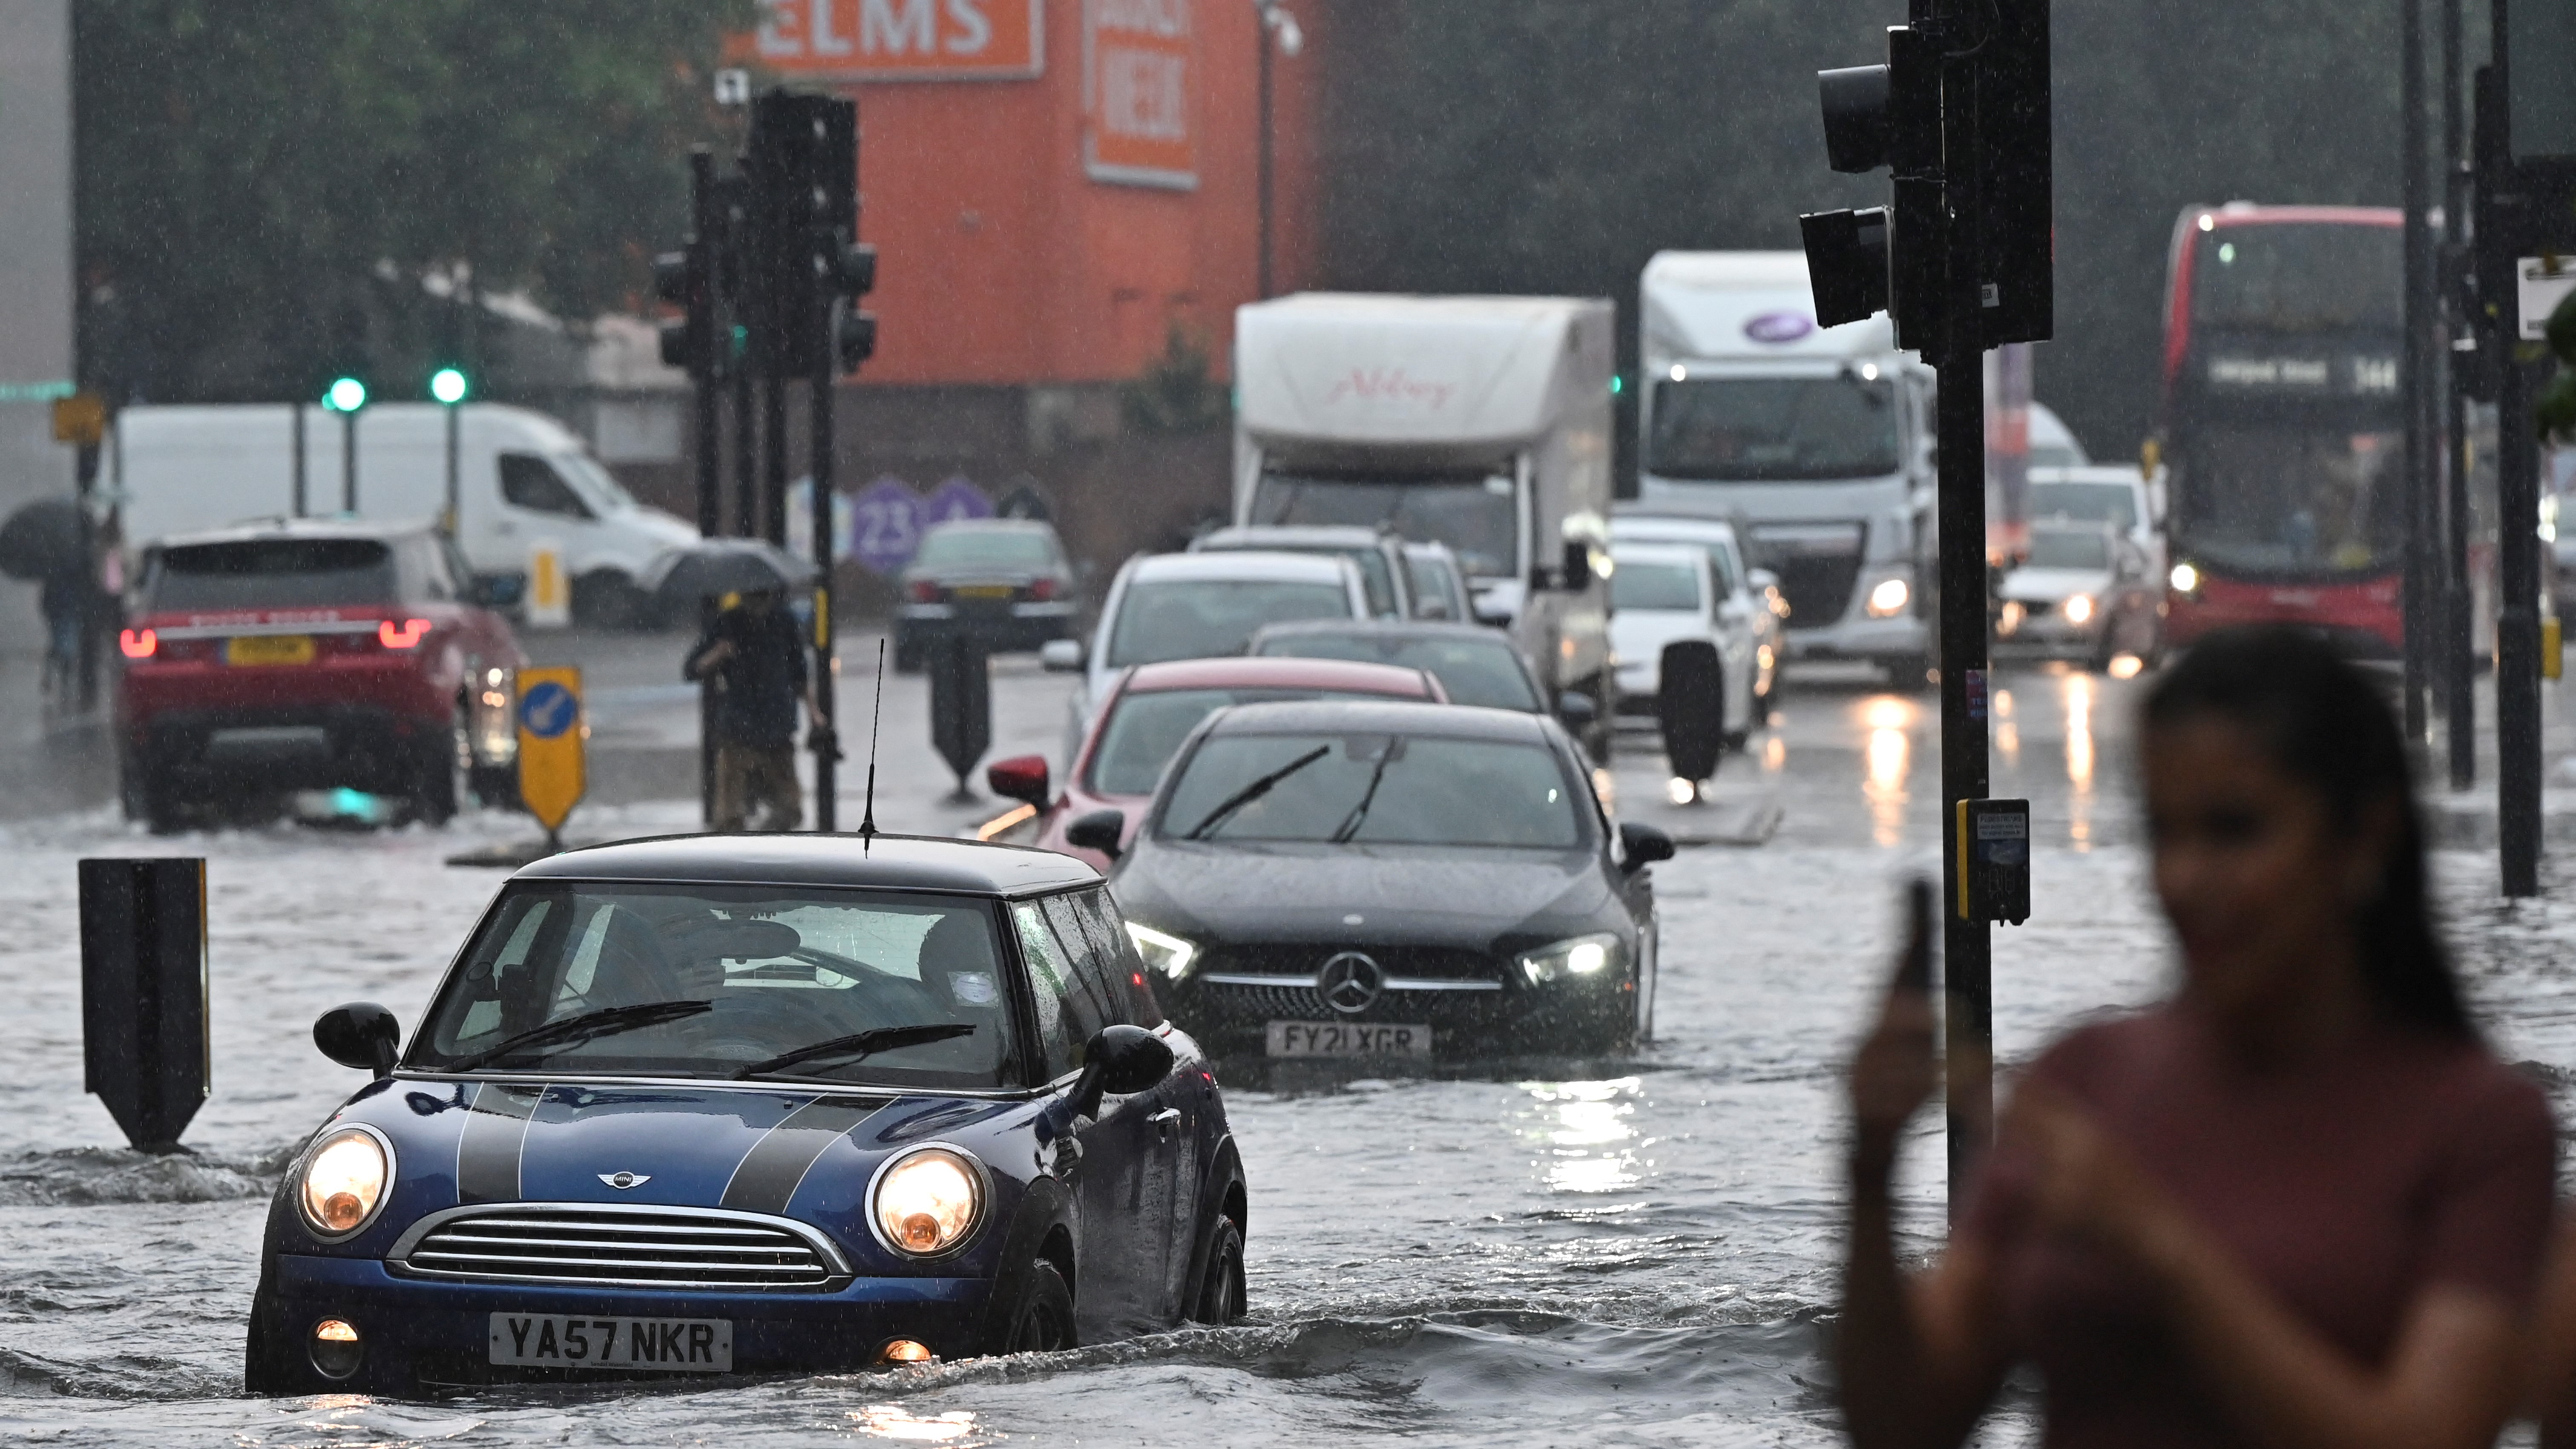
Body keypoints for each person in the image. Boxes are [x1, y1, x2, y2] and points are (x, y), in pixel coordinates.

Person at [1840, 625, 2557, 1449]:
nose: (2183, 878)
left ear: (2362, 838)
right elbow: (1900, 1423)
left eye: (2232, 831)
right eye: (2162, 833)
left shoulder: (2480, 1127)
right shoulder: (2083, 1082)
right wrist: (1868, 1171)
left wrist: (2155, 1243)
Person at [684, 587, 824, 832]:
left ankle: (761, 845)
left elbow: (799, 673)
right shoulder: (727, 623)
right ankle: (742, 851)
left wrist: (814, 713)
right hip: (739, 728)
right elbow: (691, 669)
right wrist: (717, 654)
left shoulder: (783, 622)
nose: (759, 603)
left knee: (790, 809)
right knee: (730, 816)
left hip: (776, 726)